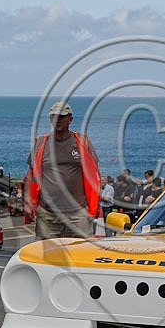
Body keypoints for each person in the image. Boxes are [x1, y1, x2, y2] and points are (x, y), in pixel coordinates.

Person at [24, 101, 100, 240]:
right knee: (45, 257)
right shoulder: (41, 144)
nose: (57, 120)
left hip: (78, 214)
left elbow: (95, 174)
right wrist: (28, 201)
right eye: (53, 116)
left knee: (81, 255)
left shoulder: (82, 142)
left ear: (70, 119)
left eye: (61, 116)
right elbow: (30, 174)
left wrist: (94, 207)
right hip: (48, 215)